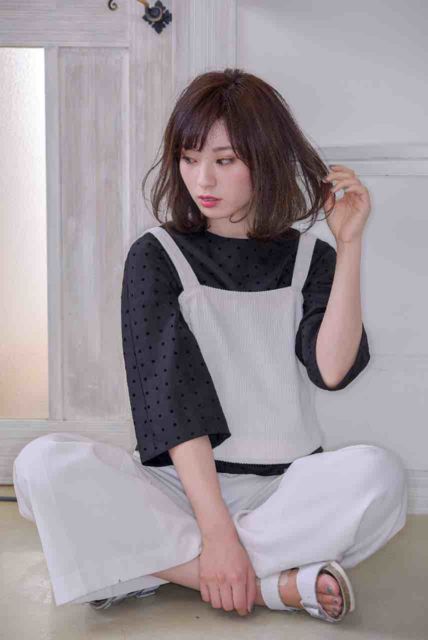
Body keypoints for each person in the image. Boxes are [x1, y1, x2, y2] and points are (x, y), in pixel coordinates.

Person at [13, 68, 408, 624]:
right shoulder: (155, 255)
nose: (203, 179)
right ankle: (269, 585)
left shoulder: (310, 259)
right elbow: (172, 401)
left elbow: (332, 369)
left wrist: (349, 245)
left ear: (265, 160)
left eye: (224, 160)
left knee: (379, 477)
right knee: (42, 466)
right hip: (178, 485)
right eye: (190, 157)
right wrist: (216, 530)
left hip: (284, 491)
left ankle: (143, 564)